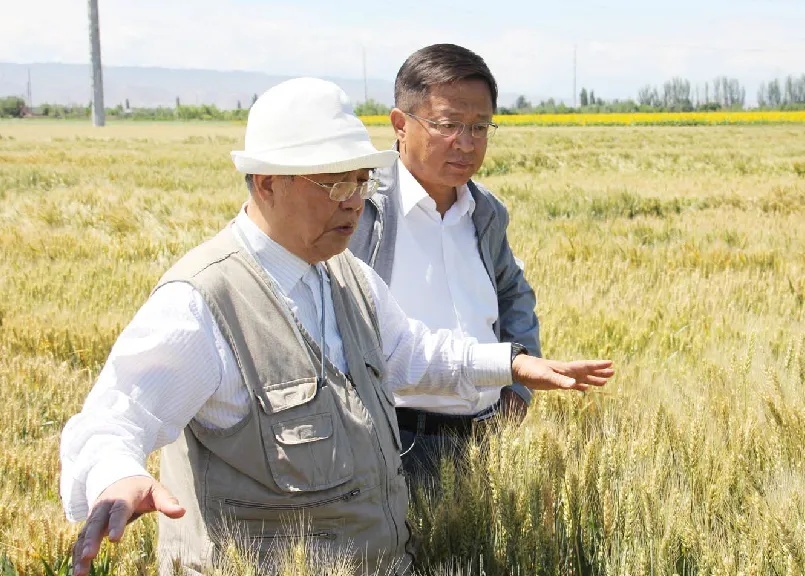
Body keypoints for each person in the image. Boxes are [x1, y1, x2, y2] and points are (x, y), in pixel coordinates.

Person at [60, 77, 614, 576]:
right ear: (266, 183)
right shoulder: (203, 300)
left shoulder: (346, 275)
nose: (353, 204)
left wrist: (511, 363)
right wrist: (115, 476)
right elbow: (113, 418)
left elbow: (410, 353)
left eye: (360, 182)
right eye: (333, 185)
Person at [350, 44, 540, 484]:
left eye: (479, 127)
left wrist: (517, 388)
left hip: (485, 437)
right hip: (393, 438)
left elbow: (514, 294)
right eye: (448, 125)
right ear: (400, 124)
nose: (466, 143)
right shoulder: (361, 208)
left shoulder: (486, 211)